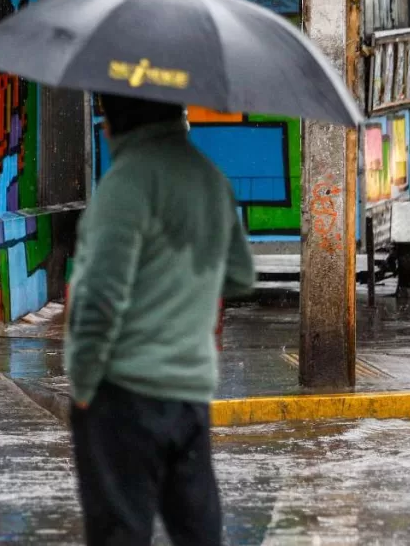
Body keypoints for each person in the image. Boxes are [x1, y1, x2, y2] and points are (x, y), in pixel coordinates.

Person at [65, 93, 255, 546]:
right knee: (197, 533)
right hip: (189, 393)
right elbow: (240, 275)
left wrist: (84, 383)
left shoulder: (124, 184)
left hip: (124, 392)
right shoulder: (211, 179)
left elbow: (100, 298)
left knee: (121, 532)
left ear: (117, 121)